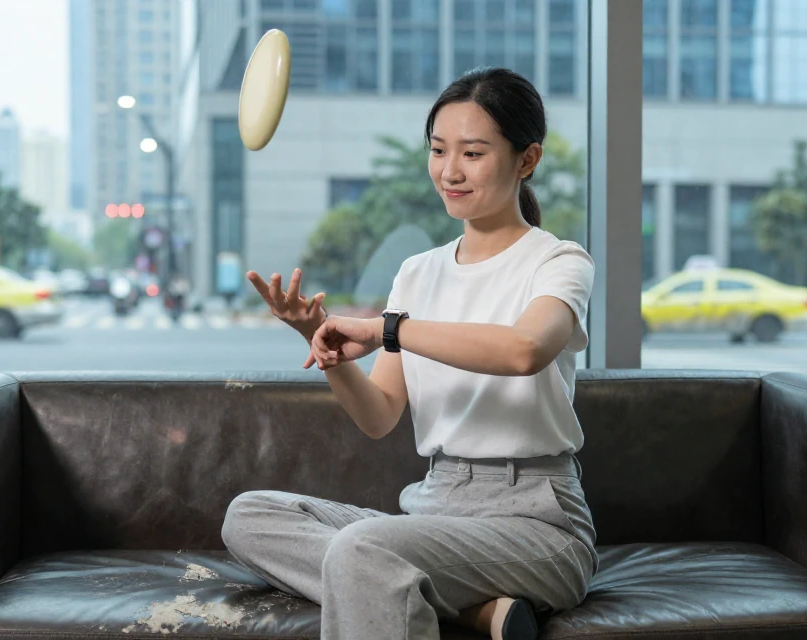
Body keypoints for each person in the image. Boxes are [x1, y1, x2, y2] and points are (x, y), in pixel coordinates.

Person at [223, 67, 598, 640]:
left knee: (362, 550)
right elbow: (379, 415)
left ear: (527, 160)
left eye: (473, 153)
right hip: (437, 507)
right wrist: (320, 339)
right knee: (250, 517)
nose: (450, 171)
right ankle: (476, 610)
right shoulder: (417, 273)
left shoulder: (559, 262)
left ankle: (411, 583)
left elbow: (524, 350)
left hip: (537, 521)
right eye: (439, 150)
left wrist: (388, 330)